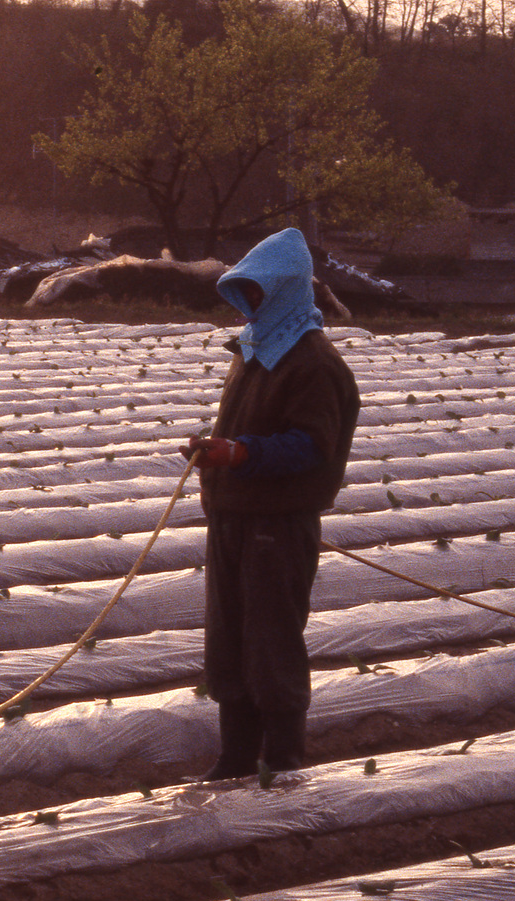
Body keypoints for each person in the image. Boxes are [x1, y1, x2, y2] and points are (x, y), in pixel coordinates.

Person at [179, 228, 359, 780]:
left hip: (275, 526)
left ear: (285, 290)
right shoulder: (257, 348)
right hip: (233, 518)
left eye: (259, 291)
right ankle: (235, 758)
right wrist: (218, 451)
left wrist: (240, 453)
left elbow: (311, 446)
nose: (250, 301)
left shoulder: (314, 363)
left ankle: (282, 762)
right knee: (229, 639)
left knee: (270, 643)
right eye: (246, 290)